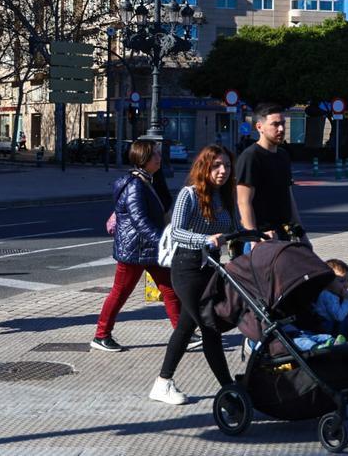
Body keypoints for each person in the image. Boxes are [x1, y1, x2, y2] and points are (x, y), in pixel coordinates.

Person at [150, 144, 239, 405]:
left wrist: (256, 235)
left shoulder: (224, 196)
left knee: (186, 326)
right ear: (204, 167)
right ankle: (229, 391)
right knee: (210, 327)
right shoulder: (189, 195)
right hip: (187, 267)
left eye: (227, 166)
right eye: (216, 166)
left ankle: (162, 383)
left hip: (211, 267)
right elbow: (176, 231)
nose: (223, 171)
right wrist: (205, 239)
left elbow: (233, 230)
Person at [91, 140, 192, 352]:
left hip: (148, 249)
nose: (159, 158)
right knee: (120, 292)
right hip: (134, 250)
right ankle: (101, 335)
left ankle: (183, 335)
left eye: (159, 154)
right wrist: (163, 241)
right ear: (142, 158)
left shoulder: (148, 180)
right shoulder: (135, 185)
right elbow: (140, 221)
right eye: (154, 154)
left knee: (170, 289)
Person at [236, 103, 309, 252]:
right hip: (262, 238)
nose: (281, 129)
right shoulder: (251, 157)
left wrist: (302, 234)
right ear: (259, 127)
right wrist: (254, 238)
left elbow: (289, 196)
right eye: (275, 124)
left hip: (283, 236)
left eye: (283, 123)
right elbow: (243, 201)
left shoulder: (283, 155)